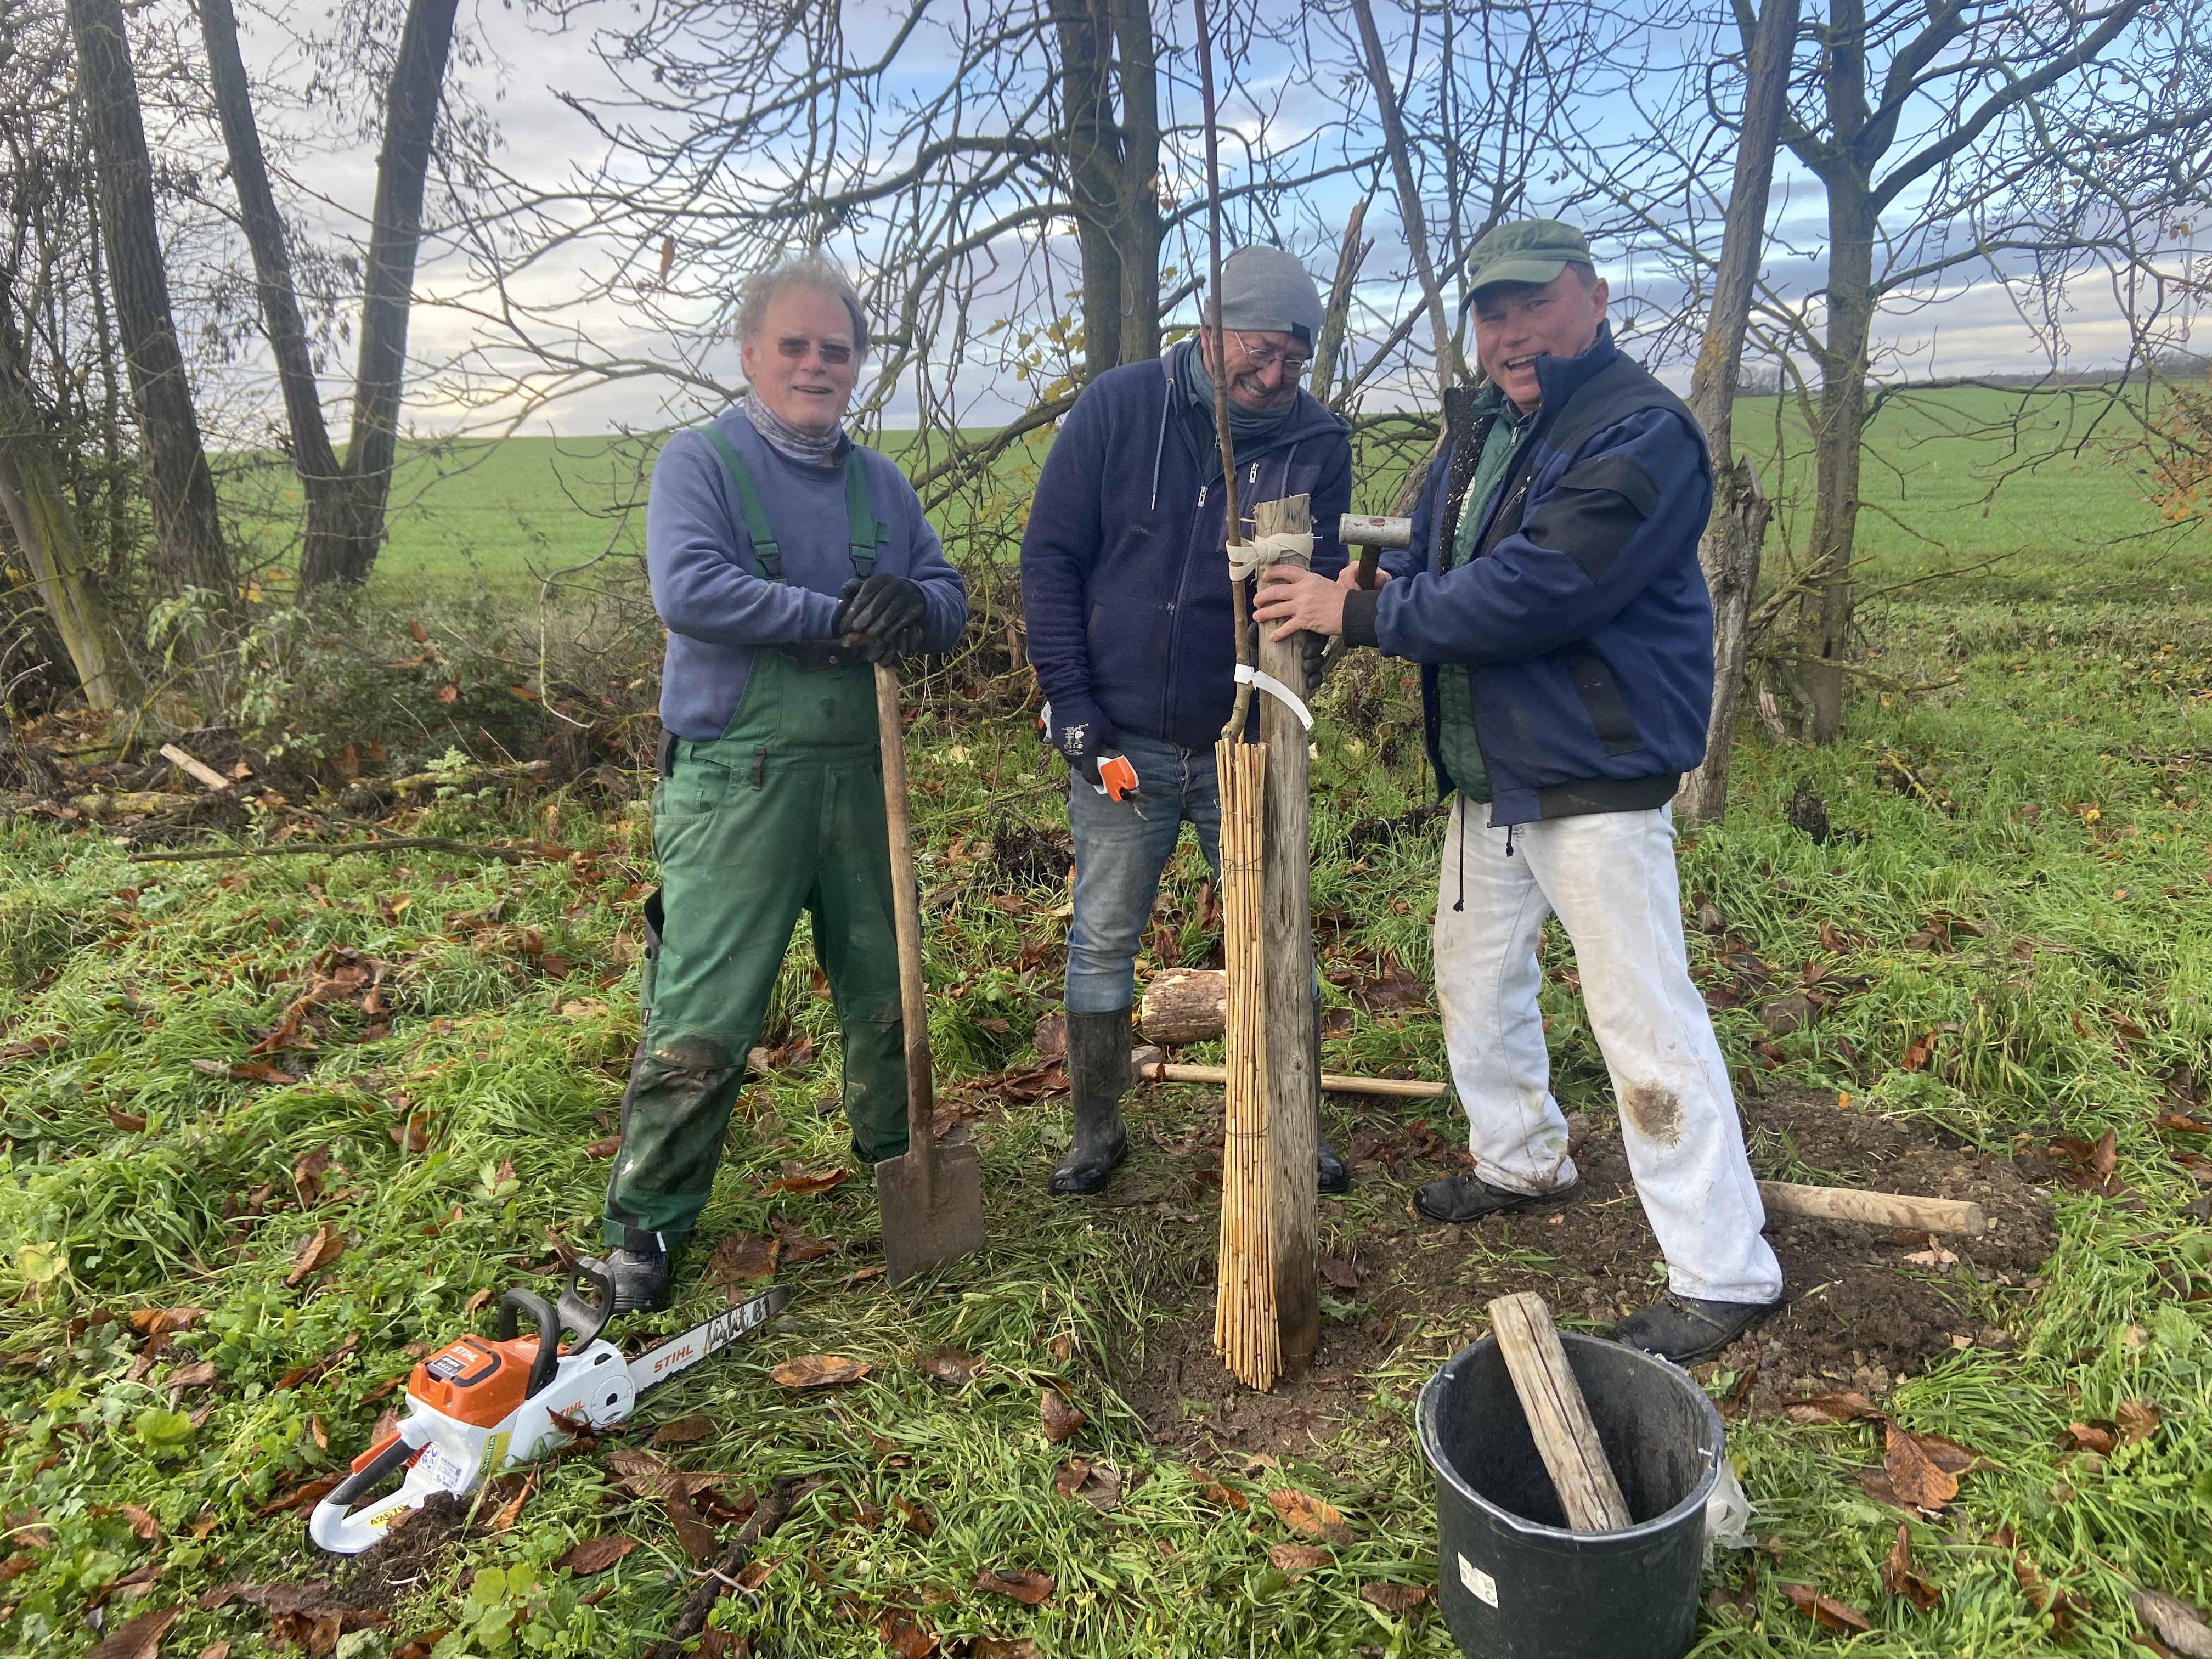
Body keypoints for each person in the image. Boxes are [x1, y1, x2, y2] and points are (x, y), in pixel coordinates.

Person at [1250, 219, 1785, 1363]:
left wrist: (1362, 612)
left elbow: (1539, 589)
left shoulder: (1641, 433)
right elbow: (1447, 554)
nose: (1511, 332)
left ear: (1594, 297)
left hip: (1591, 771)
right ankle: (1522, 1159)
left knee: (1643, 1016)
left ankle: (1724, 1271)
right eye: (1492, 313)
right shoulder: (1491, 427)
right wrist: (1375, 571)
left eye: (1534, 303)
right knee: (1475, 978)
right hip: (1491, 767)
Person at [585, 255, 968, 1312]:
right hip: (735, 786)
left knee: (887, 994)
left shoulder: (882, 485)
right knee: (705, 1010)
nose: (815, 364)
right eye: (793, 345)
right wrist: (832, 616)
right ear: (751, 354)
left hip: (861, 777)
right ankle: (647, 1227)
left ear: (858, 364)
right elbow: (690, 589)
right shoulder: (700, 463)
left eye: (835, 349)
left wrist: (915, 606)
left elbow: (946, 594)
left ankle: (902, 1167)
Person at [1021, 245, 1354, 1198]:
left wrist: (1301, 667)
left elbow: (1322, 595)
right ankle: (1096, 1131)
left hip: (1243, 741)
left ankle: (1295, 1120)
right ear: (1210, 330)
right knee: (1103, 935)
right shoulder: (1119, 408)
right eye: (1260, 350)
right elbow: (1051, 559)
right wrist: (1073, 703)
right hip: (1121, 738)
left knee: (1275, 932)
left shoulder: (1317, 443)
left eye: (1295, 358)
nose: (1276, 375)